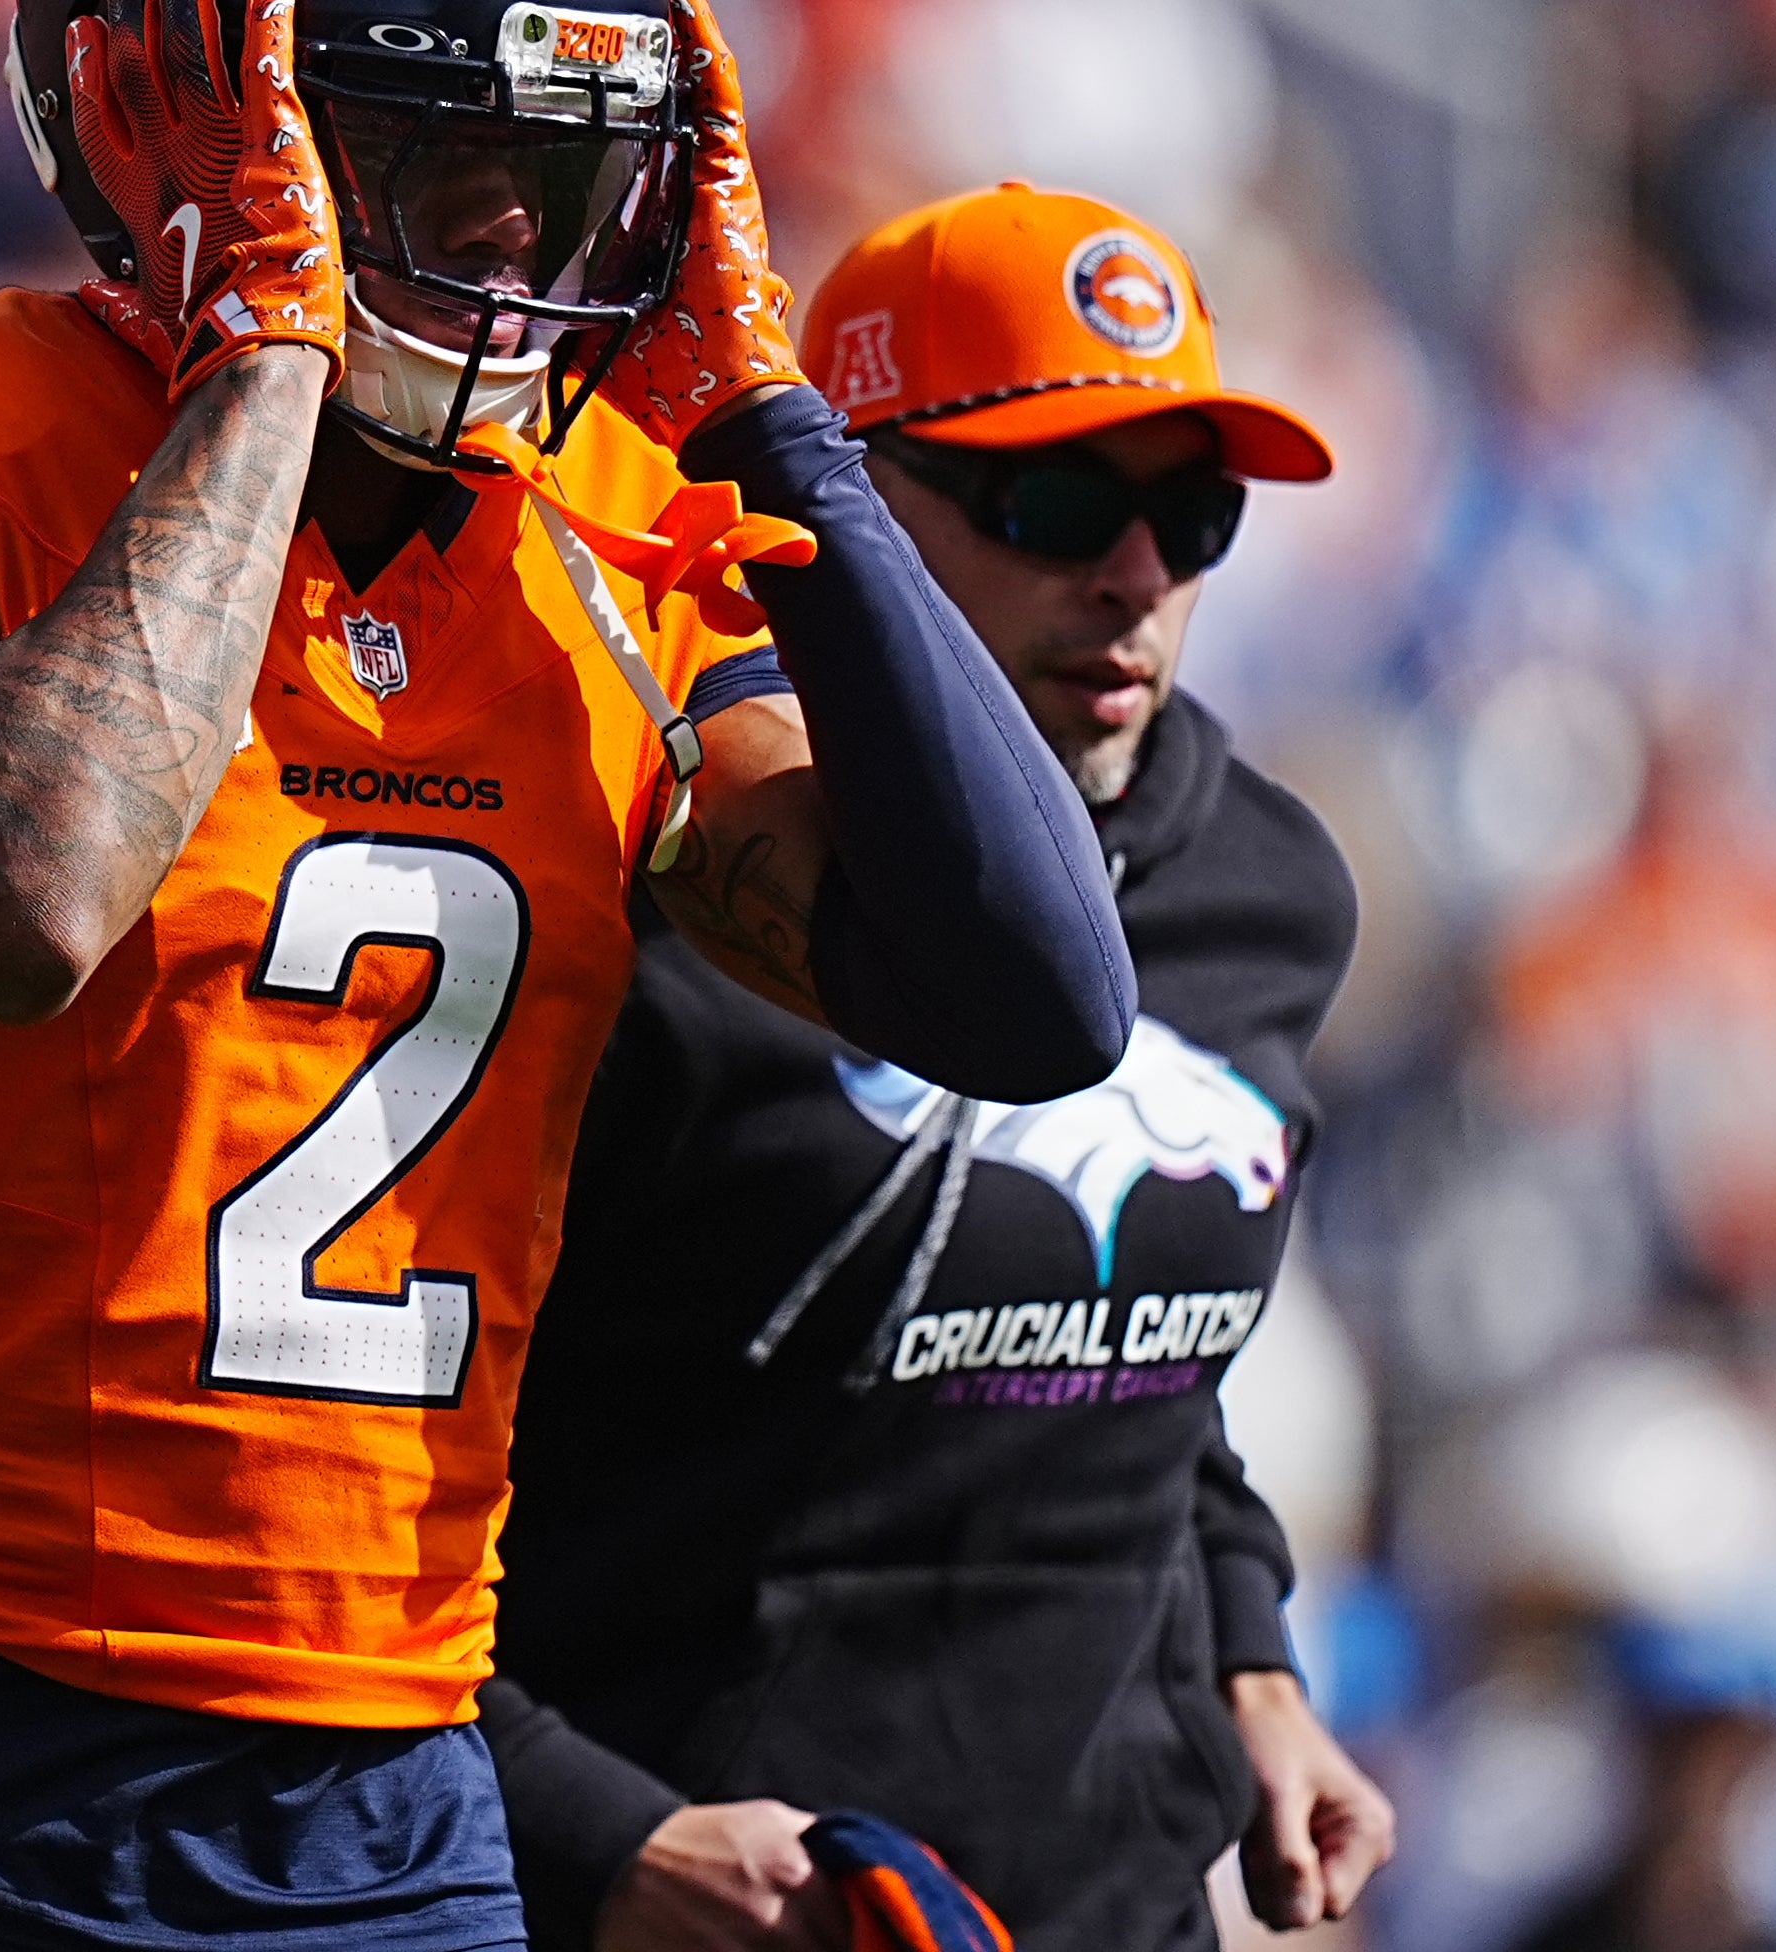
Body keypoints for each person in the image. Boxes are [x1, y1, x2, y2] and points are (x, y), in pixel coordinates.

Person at [0, 0, 1133, 1951]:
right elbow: (18, 890)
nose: (525, 255)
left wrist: (772, 426)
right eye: (453, 167)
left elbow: (1033, 991)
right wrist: (264, 357)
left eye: (572, 176)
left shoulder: (608, 532)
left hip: (393, 1782)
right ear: (176, 109)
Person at [481, 182, 1402, 1952]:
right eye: (1056, 499)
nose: (1132, 573)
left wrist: (1257, 1672)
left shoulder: (1273, 889)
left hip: (1104, 1902)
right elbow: (386, 1438)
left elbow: (1145, 1372)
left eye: (1189, 512)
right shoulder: (676, 882)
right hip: (713, 1899)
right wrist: (600, 1838)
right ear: (853, 506)